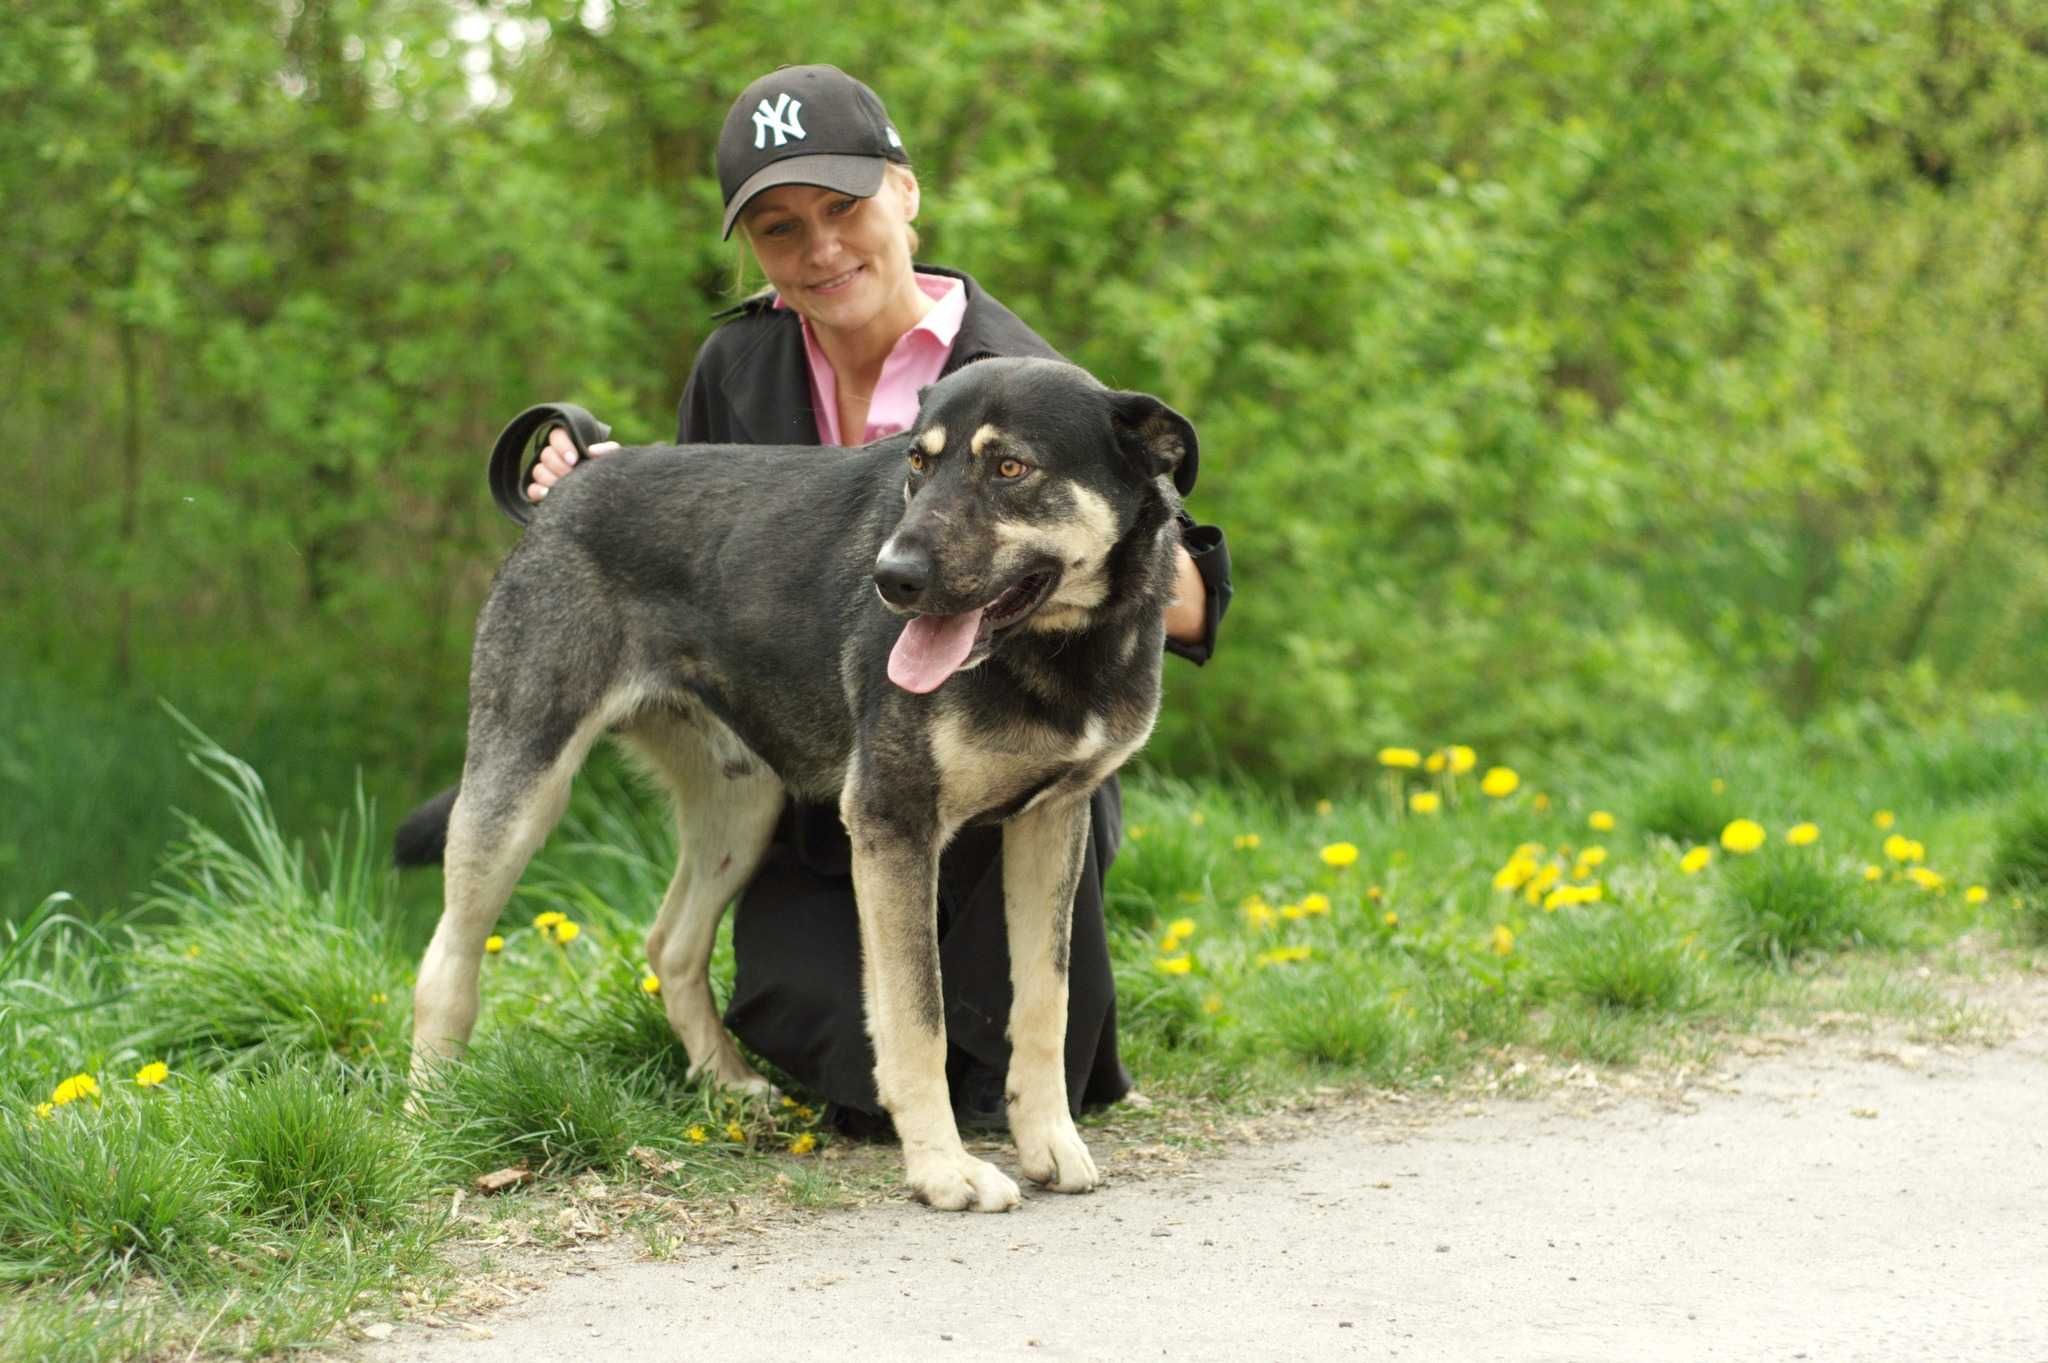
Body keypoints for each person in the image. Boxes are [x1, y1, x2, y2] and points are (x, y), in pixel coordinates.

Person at [523, 64, 1233, 1138]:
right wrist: (605, 487)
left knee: (993, 1080)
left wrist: (1119, 545)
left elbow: (1179, 602)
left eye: (842, 209)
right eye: (778, 230)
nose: (818, 251)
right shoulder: (738, 362)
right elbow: (715, 533)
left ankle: (1034, 1049)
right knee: (835, 1056)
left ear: (903, 193)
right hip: (832, 784)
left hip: (1014, 765)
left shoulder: (1018, 377)